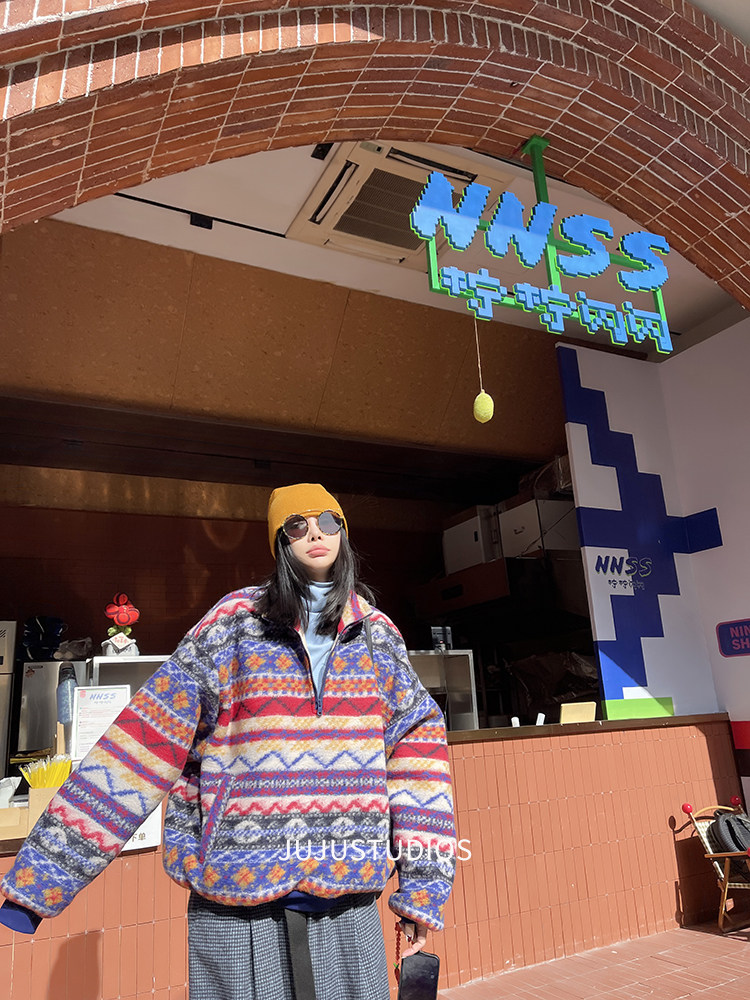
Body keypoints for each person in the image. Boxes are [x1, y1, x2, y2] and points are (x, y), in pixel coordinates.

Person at [0, 483, 456, 1000]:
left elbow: (420, 758)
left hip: (349, 909)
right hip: (237, 908)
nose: (315, 533)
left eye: (329, 521)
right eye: (297, 525)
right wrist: (41, 878)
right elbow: (140, 745)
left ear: (344, 534)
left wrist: (422, 890)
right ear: (279, 541)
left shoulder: (378, 637)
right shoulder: (233, 627)